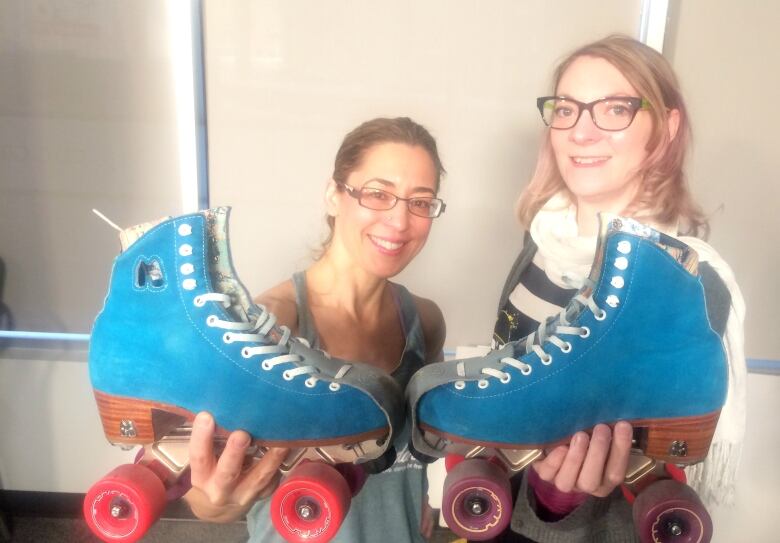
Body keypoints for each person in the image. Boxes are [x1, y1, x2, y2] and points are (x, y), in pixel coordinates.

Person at [489, 35, 746, 542]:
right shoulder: (539, 245)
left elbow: (680, 474)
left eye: (614, 109)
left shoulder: (689, 284)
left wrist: (560, 498)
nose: (582, 132)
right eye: (566, 109)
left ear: (666, 129)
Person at [183, 117, 448, 543]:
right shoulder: (268, 325)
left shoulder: (425, 321)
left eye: (420, 201)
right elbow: (203, 483)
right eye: (378, 194)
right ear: (333, 195)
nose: (400, 222)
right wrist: (215, 504)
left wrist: (426, 501)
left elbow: (425, 443)